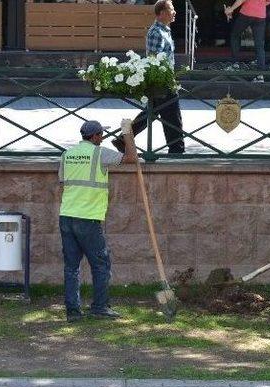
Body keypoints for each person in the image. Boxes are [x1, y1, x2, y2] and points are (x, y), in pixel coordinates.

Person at [59, 119, 137, 323]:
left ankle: (73, 312)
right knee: (101, 264)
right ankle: (100, 307)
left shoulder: (67, 155)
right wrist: (127, 134)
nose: (102, 138)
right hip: (88, 218)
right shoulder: (100, 153)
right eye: (101, 135)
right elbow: (132, 158)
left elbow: (63, 182)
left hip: (67, 216)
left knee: (71, 267)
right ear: (94, 137)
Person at [112, 0, 185, 154]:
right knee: (172, 114)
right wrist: (164, 78)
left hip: (166, 78)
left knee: (151, 112)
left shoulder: (165, 29)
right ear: (162, 13)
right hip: (162, 80)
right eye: (172, 9)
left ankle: (122, 139)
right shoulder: (156, 32)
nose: (175, 12)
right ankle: (177, 150)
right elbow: (154, 59)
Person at [225, 0, 270, 82]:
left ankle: (235, 65)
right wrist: (259, 5)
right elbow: (269, 1)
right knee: (259, 45)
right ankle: (260, 76)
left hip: (247, 12)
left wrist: (231, 9)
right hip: (260, 15)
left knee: (235, 35)